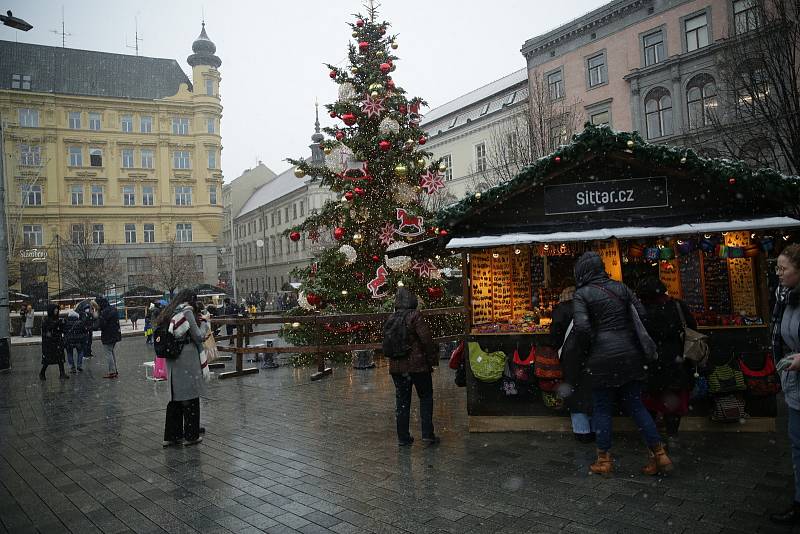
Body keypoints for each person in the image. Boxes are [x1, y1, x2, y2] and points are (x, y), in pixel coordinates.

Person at [572, 251, 672, 476]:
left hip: (601, 359)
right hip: (630, 356)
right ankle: (659, 453)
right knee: (636, 406)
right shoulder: (622, 288)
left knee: (602, 408)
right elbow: (643, 316)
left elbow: (582, 329)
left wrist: (589, 349)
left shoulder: (582, 294)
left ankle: (604, 459)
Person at [637, 277, 696, 441]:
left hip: (651, 363)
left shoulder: (641, 311)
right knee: (673, 403)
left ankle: (653, 439)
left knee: (650, 403)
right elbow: (691, 327)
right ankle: (672, 435)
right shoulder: (677, 306)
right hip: (676, 361)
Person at [769, 244, 800, 525]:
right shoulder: (784, 297)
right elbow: (779, 336)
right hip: (794, 386)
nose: (778, 273)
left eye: (783, 268)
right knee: (797, 445)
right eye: (777, 267)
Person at [385, 287, 439, 447]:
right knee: (426, 398)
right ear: (412, 301)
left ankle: (403, 437)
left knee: (402, 402)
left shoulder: (391, 318)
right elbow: (426, 340)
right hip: (418, 367)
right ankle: (427, 435)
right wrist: (432, 360)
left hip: (397, 368)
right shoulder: (415, 316)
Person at [158, 289, 208, 447]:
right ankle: (191, 435)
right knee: (191, 397)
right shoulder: (187, 312)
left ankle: (173, 435)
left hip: (172, 359)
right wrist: (205, 322)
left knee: (175, 398)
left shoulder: (170, 311)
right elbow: (198, 336)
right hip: (186, 358)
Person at [549, 285, 594, 443]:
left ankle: (581, 431)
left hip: (571, 357)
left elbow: (555, 334)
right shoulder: (588, 307)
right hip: (591, 355)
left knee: (574, 391)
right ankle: (594, 427)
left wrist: (557, 347)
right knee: (590, 390)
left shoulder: (561, 309)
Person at [39, 304, 68, 380]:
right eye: (55, 309)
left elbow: (61, 329)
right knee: (48, 360)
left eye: (57, 309)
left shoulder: (57, 319)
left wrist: (63, 323)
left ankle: (62, 373)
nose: (56, 311)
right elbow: (48, 330)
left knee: (60, 358)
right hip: (50, 343)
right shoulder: (46, 320)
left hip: (58, 341)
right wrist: (57, 323)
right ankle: (42, 372)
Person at [95, 297, 121, 379]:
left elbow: (101, 324)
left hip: (108, 335)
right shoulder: (113, 309)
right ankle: (114, 370)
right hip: (115, 334)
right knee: (111, 352)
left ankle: (112, 371)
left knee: (108, 353)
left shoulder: (104, 312)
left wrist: (97, 316)